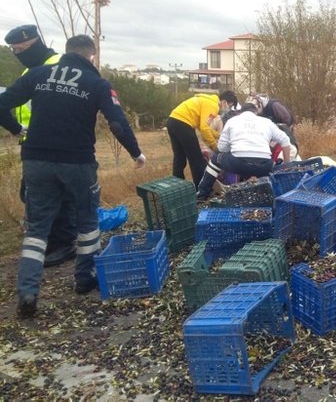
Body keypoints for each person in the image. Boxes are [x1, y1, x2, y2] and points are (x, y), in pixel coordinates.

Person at [0, 34, 145, 319]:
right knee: (87, 220)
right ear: (91, 55)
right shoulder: (97, 83)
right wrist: (136, 153)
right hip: (77, 161)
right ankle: (84, 278)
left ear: (67, 52)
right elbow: (116, 122)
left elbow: (1, 102)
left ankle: (27, 291)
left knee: (38, 227)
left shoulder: (39, 74)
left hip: (37, 160)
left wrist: (16, 129)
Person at [5, 24, 78, 268]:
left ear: (35, 43)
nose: (18, 54)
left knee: (56, 193)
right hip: (32, 141)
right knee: (33, 194)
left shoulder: (57, 63)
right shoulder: (29, 71)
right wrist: (16, 128)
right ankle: (49, 239)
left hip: (55, 141)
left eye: (22, 49)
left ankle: (63, 243)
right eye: (14, 50)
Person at [196, 103, 292, 200]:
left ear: (240, 112)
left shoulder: (232, 121)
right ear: (256, 112)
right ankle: (276, 196)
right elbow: (285, 140)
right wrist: (287, 165)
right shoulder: (267, 122)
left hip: (238, 164)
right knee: (273, 166)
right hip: (264, 166)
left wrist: (233, 147)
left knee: (215, 159)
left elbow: (221, 148)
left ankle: (202, 194)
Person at [166, 90, 237, 185]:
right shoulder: (213, 105)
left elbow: (203, 126)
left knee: (179, 156)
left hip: (172, 120)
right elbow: (204, 129)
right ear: (224, 102)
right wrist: (215, 146)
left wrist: (219, 135)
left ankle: (177, 185)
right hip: (183, 123)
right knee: (196, 159)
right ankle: (200, 190)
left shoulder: (206, 100)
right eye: (230, 105)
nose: (229, 108)